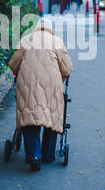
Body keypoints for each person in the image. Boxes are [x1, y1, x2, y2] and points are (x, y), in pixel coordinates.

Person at [8, 18, 73, 171]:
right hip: (52, 86)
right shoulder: (57, 41)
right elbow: (67, 69)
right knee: (51, 118)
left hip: (28, 85)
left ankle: (34, 156)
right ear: (50, 29)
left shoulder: (26, 40)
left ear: (36, 28)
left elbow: (13, 64)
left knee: (30, 118)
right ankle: (48, 156)